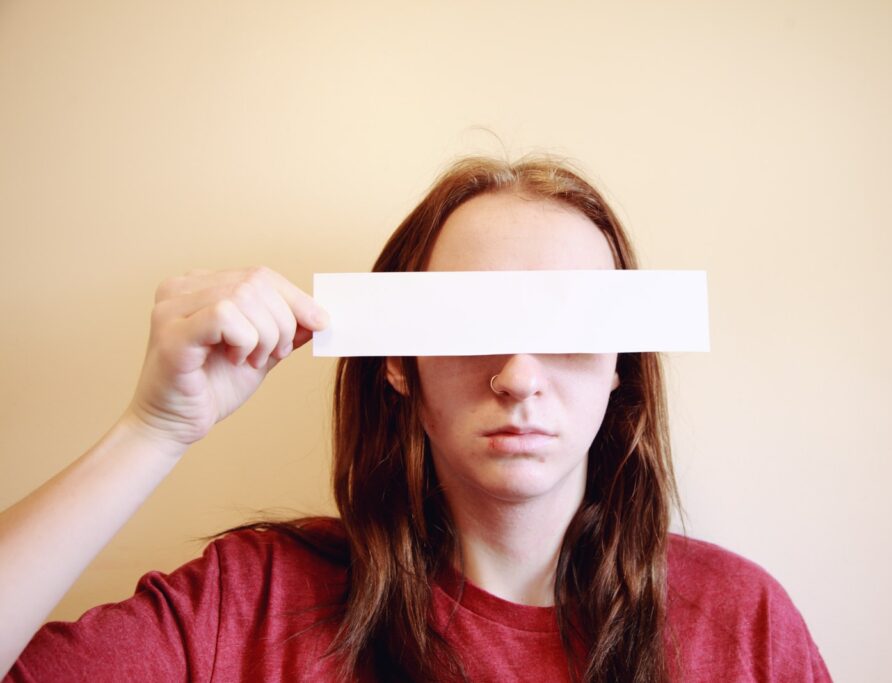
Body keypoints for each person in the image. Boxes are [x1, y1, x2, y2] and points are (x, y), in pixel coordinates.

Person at [1, 156, 832, 682]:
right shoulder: (247, 604)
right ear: (399, 360)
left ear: (621, 364)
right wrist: (152, 428)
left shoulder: (743, 624)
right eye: (467, 325)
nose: (517, 375)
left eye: (570, 327)